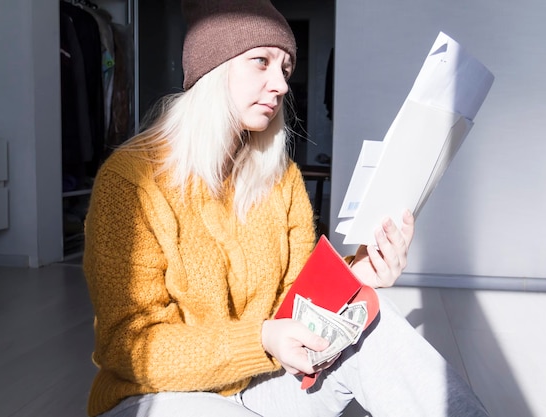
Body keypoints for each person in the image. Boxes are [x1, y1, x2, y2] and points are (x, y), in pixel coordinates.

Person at [83, 1, 490, 416]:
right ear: (212, 69)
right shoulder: (131, 183)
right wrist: (259, 338)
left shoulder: (281, 179)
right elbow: (127, 348)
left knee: (374, 318)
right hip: (160, 397)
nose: (280, 84)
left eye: (285, 69)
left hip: (262, 383)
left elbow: (296, 301)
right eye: (261, 62)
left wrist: (357, 275)